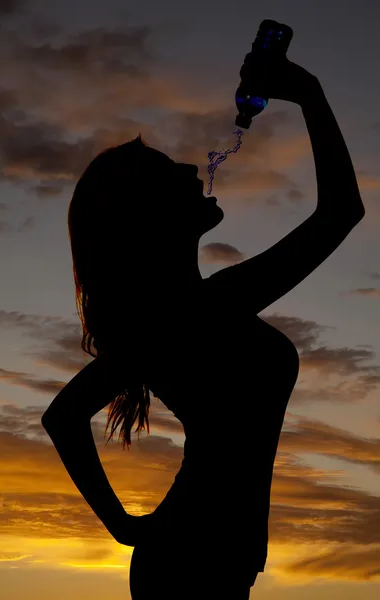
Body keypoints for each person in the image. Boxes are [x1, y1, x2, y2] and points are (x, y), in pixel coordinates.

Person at [42, 56, 365, 600]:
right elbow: (340, 213)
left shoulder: (181, 312)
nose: (194, 170)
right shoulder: (198, 309)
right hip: (195, 565)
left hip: (196, 559)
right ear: (149, 216)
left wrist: (126, 528)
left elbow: (63, 415)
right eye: (172, 171)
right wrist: (308, 92)